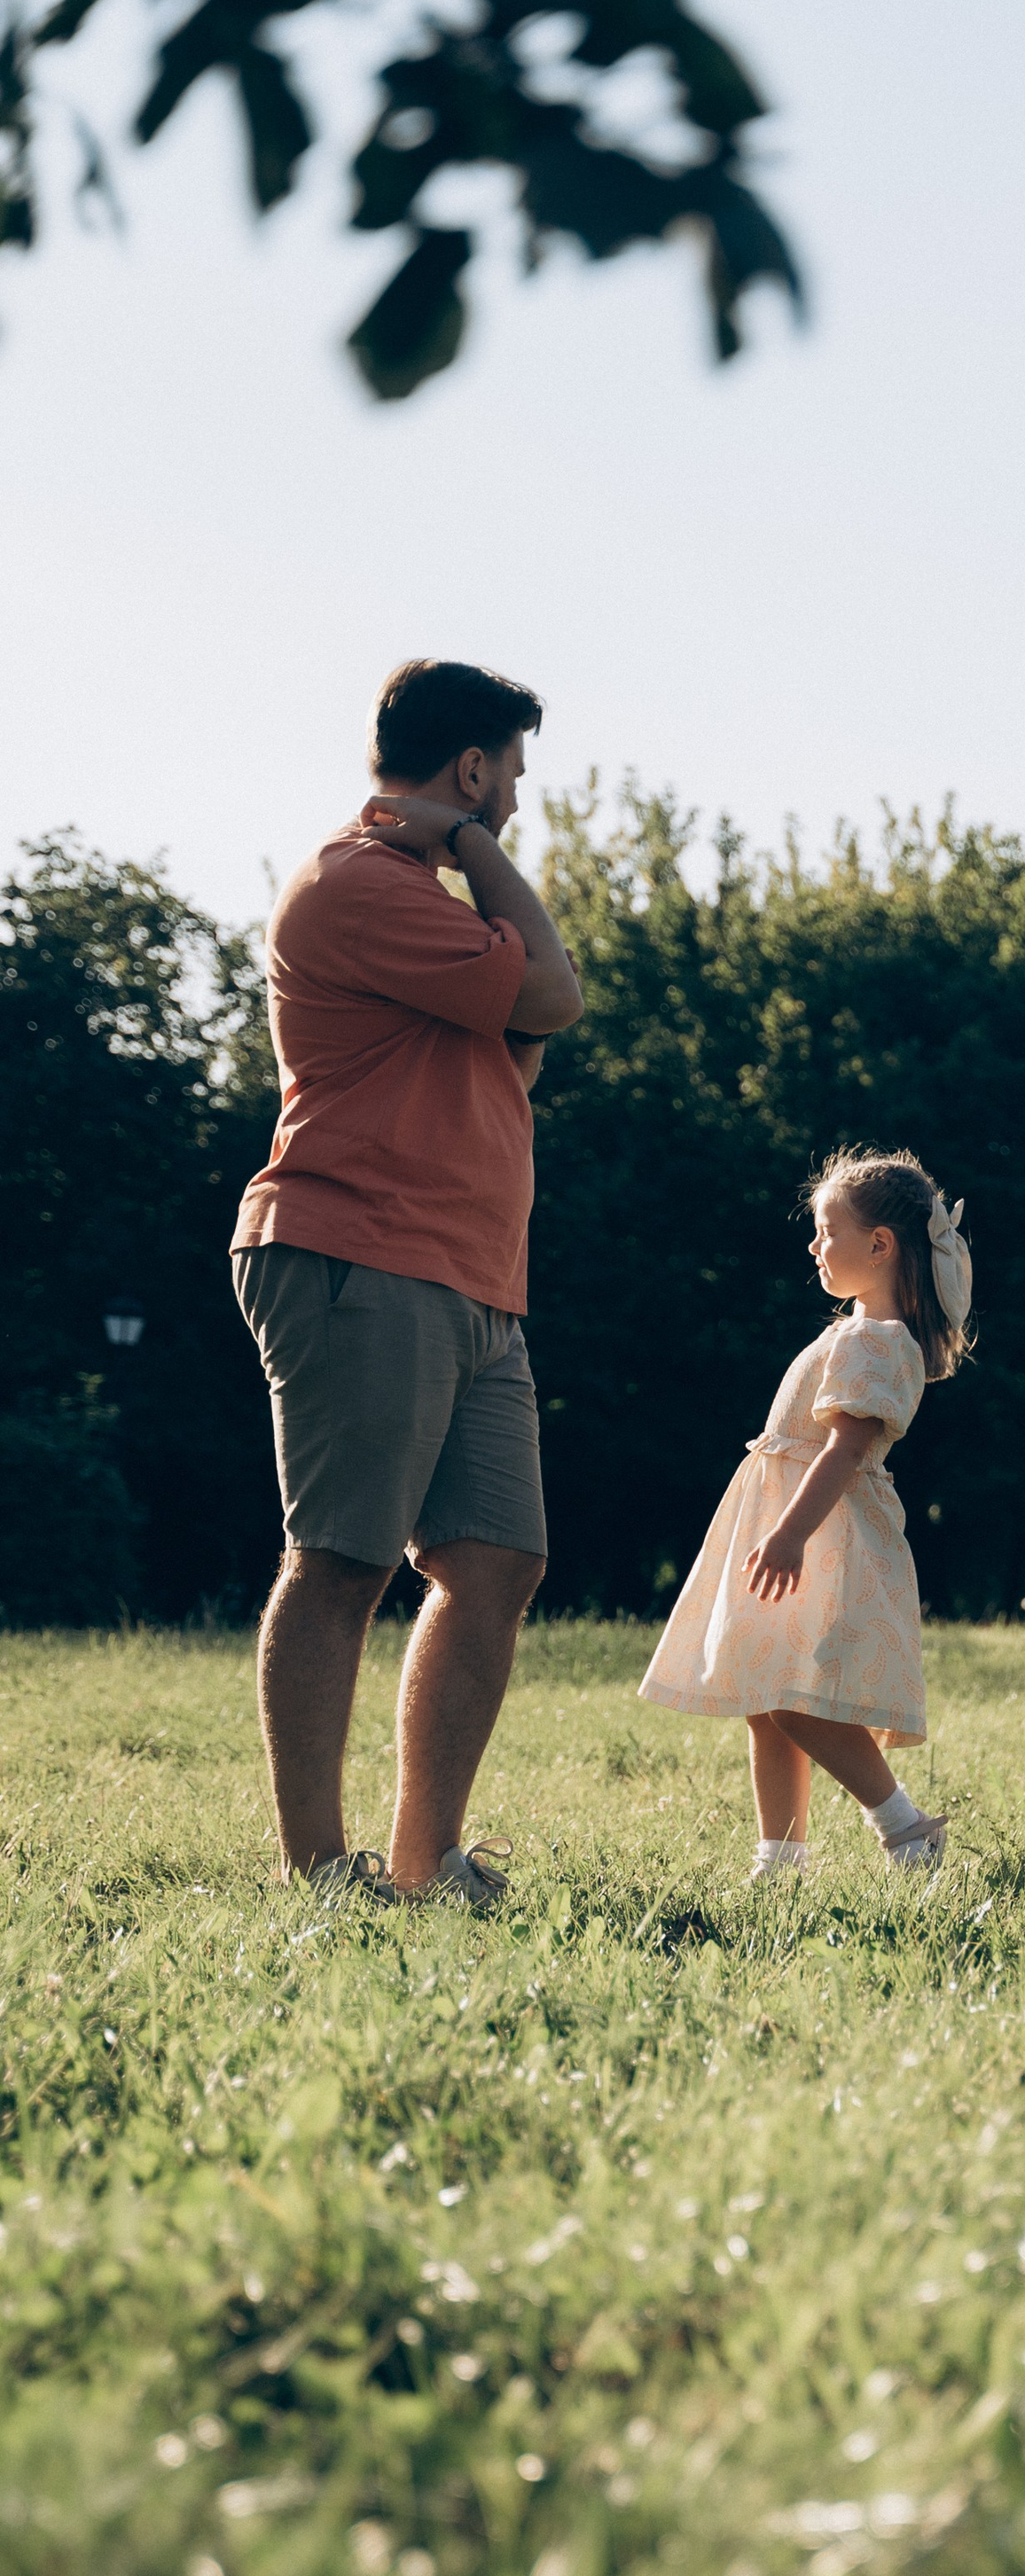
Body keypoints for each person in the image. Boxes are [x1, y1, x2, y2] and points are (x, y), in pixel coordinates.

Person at [231, 659, 584, 1906]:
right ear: (474, 769)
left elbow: (520, 1049)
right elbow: (555, 990)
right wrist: (473, 849)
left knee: (496, 1559)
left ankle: (427, 1862)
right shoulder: (360, 884)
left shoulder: (435, 920)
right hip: (359, 1252)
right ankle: (318, 1869)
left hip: (475, 1275)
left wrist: (470, 867)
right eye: (514, 781)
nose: (522, 809)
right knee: (341, 1561)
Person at [638, 1149, 971, 1873]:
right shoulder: (851, 1335)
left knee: (797, 1698)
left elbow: (844, 1453)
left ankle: (906, 1828)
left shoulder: (877, 1342)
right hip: (798, 1527)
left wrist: (788, 1534)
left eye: (827, 1231)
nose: (813, 1245)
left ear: (879, 1245)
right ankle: (779, 1860)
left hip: (825, 1536)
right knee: (767, 1696)